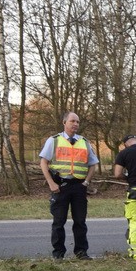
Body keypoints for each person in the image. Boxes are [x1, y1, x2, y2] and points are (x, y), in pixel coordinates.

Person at [39, 111, 100, 260]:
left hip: (79, 186)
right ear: (64, 123)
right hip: (61, 186)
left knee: (80, 221)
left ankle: (81, 252)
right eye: (72, 121)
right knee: (59, 222)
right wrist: (51, 183)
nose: (75, 124)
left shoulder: (84, 142)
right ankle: (58, 254)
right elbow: (43, 162)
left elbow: (93, 164)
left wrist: (86, 182)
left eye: (78, 122)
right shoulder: (53, 141)